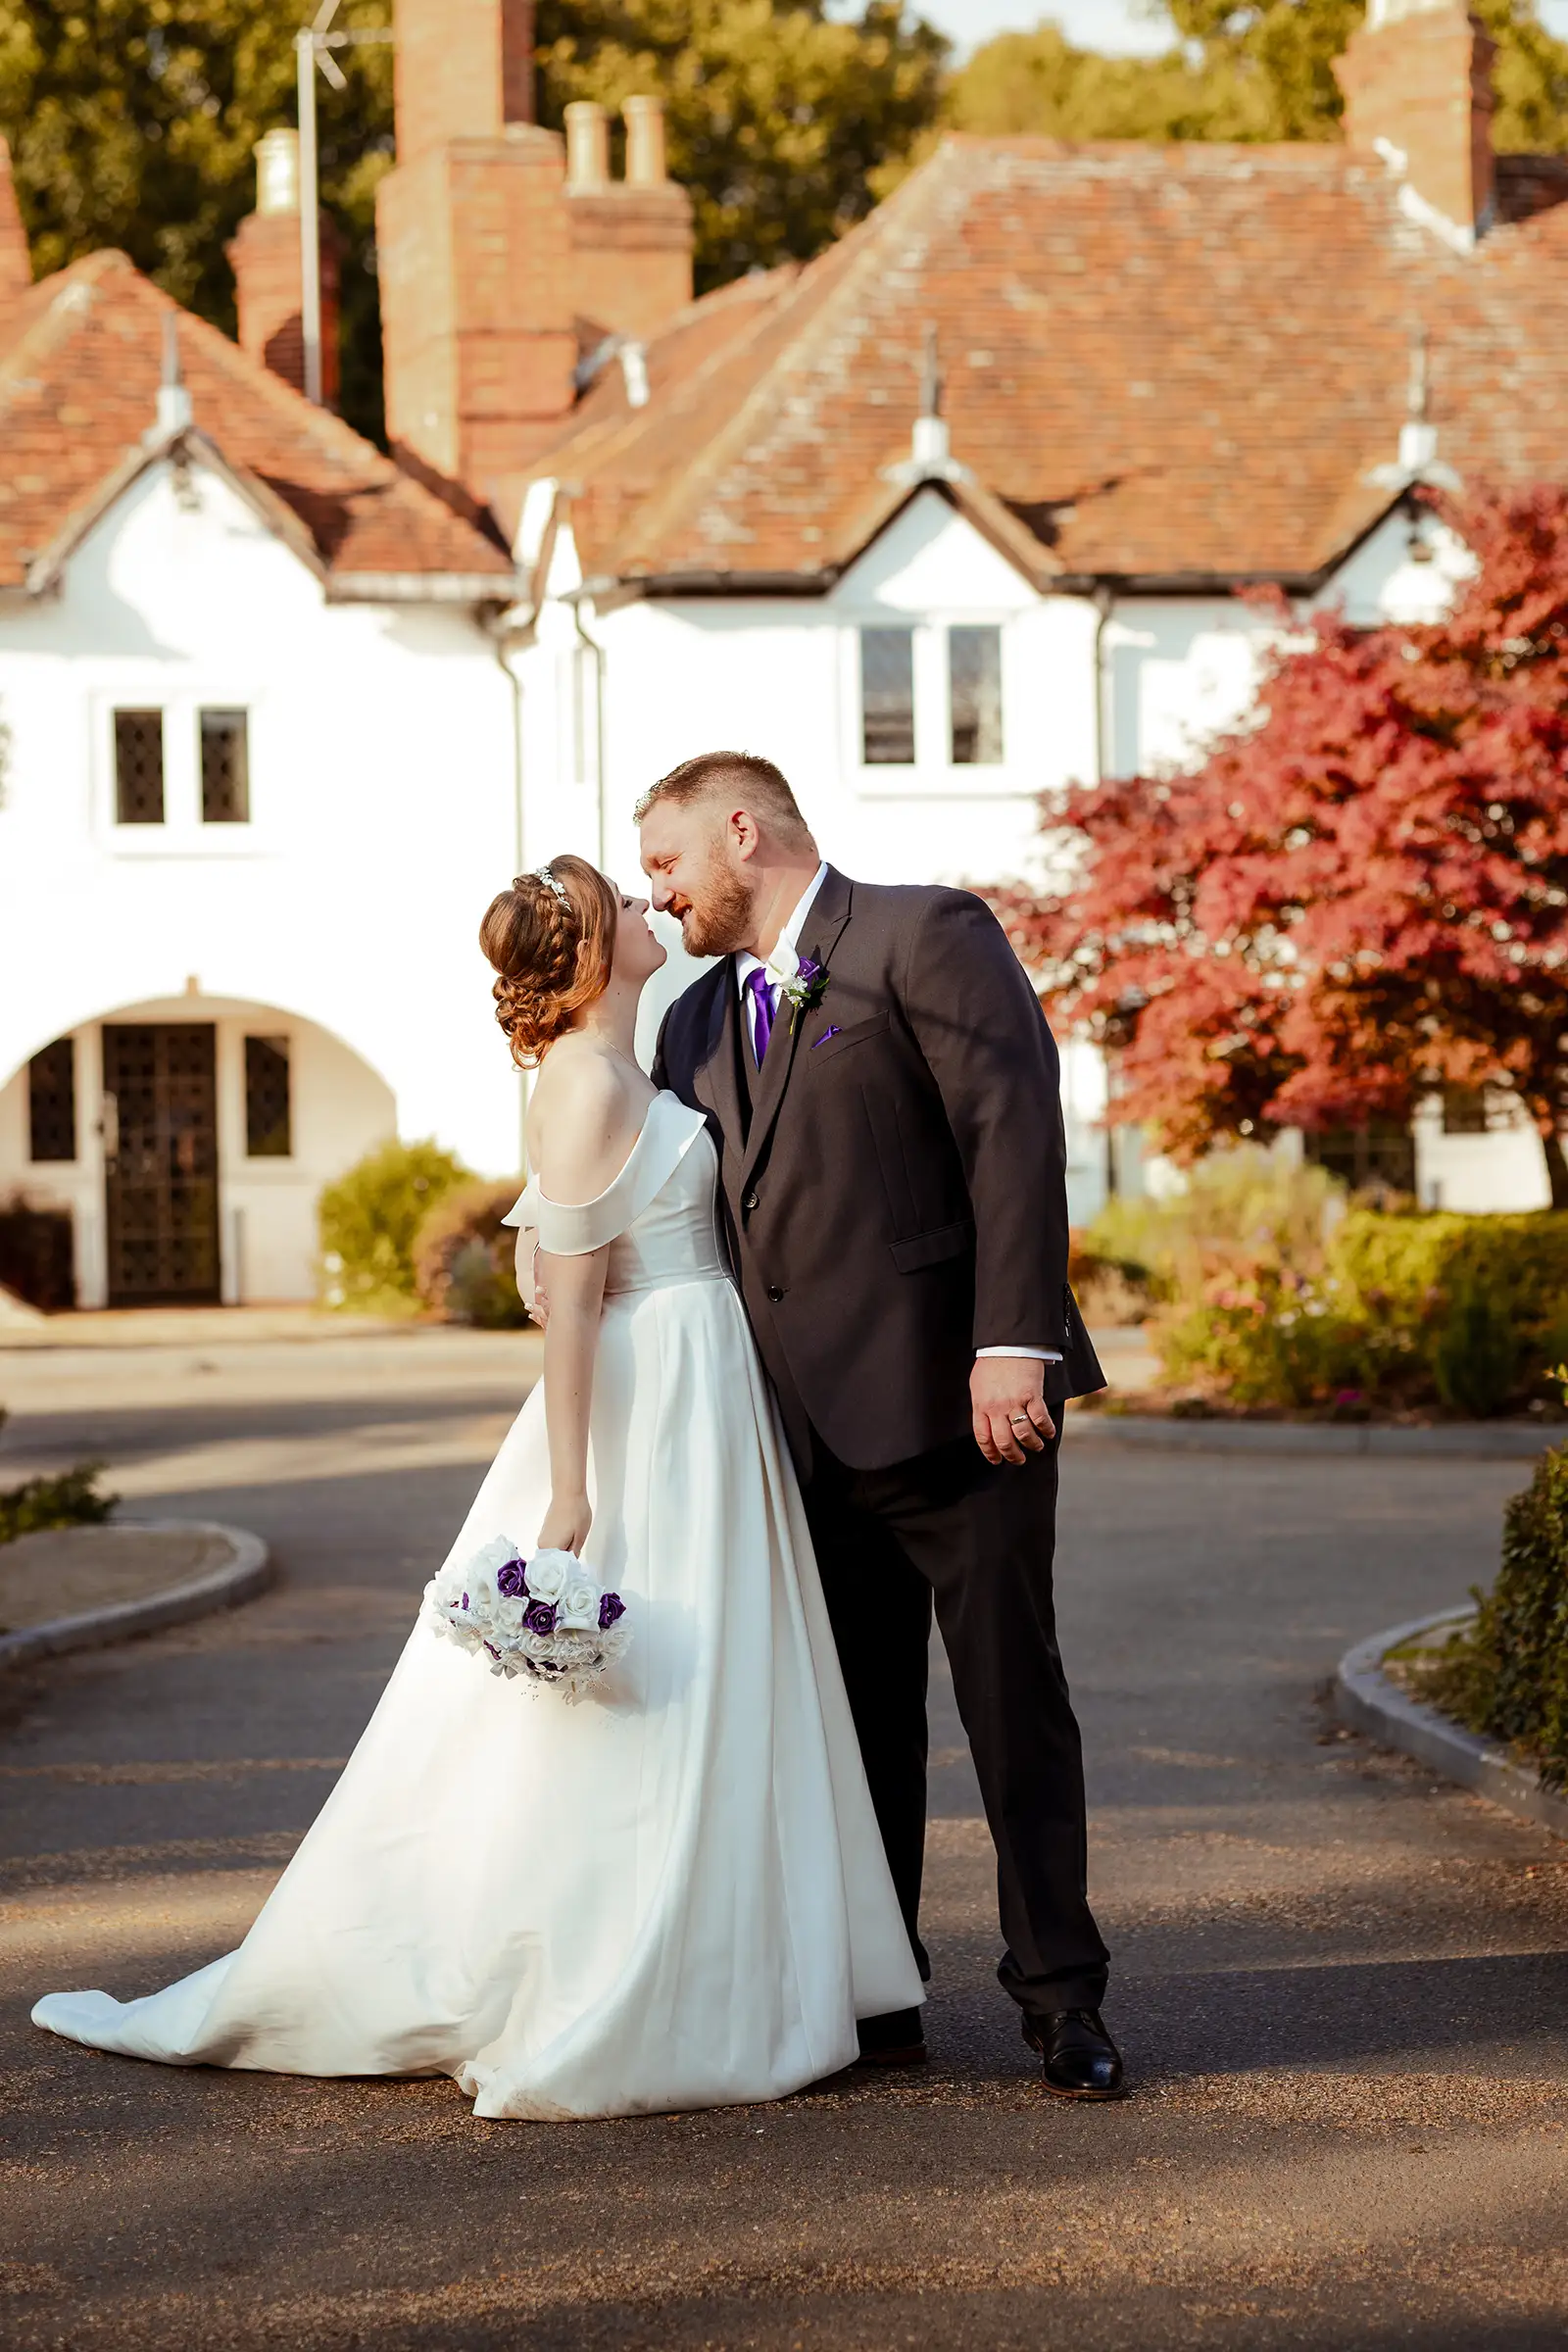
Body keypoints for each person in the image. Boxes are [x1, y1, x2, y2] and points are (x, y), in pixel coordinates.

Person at [31, 856, 921, 2121]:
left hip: (702, 1384)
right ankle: (615, 1969)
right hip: (644, 1400)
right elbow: (570, 1305)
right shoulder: (588, 1081)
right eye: (627, 903)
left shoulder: (628, 1065)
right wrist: (569, 1490)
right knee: (643, 1686)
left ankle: (727, 1956)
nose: (649, 907)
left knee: (713, 1679)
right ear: (590, 953)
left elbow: (562, 1237)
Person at [642, 752, 1122, 2099]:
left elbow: (1011, 1132)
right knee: (852, 1729)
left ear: (744, 831)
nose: (656, 889)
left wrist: (1011, 1344)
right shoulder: (686, 1025)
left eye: (670, 861)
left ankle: (1061, 1998)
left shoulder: (925, 932)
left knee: (1011, 1705)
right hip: (795, 1438)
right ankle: (878, 1990)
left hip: (966, 1412)